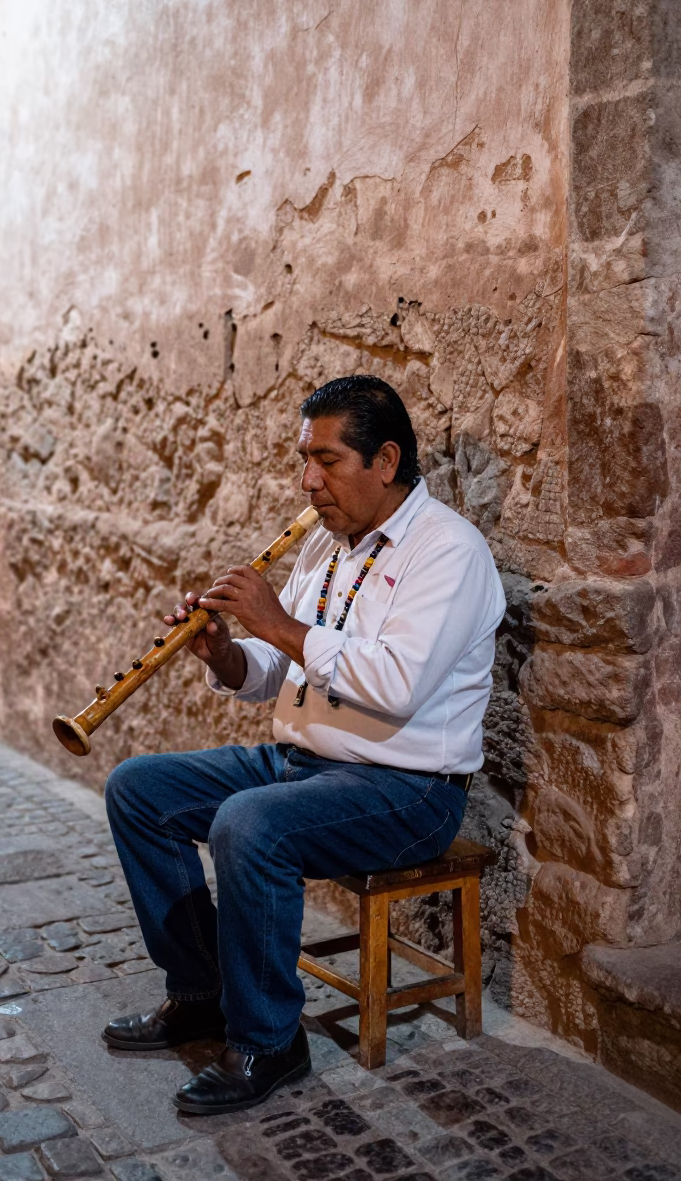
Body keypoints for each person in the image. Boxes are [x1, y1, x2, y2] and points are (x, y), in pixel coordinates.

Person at [103, 374, 506, 1115]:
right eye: (304, 459)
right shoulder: (325, 545)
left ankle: (268, 1041)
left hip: (406, 788)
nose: (308, 480)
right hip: (302, 763)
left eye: (326, 461)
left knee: (249, 824)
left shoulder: (449, 552)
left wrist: (276, 621)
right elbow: (275, 673)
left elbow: (395, 685)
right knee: (138, 788)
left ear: (384, 462)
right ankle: (199, 995)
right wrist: (228, 653)